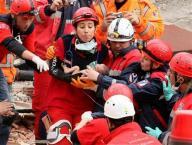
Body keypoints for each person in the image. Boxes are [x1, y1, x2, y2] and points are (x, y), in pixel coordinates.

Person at [45, 7, 109, 145]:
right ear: (75, 28)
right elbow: (53, 69)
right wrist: (68, 77)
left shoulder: (103, 50)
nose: (86, 30)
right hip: (60, 101)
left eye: (90, 26)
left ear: (95, 28)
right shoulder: (65, 42)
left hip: (85, 105)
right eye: (82, 26)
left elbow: (107, 77)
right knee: (61, 139)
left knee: (82, 138)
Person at [33, 0, 94, 140]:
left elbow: (93, 21)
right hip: (45, 56)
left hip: (76, 54)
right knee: (43, 106)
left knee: (80, 109)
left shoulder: (84, 2)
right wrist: (50, 8)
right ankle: (42, 140)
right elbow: (33, 16)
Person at [0, 0, 49, 144]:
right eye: (24, 18)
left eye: (31, 18)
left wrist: (48, 67)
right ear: (15, 16)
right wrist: (34, 58)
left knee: (7, 112)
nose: (28, 22)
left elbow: (29, 57)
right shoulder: (3, 23)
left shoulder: (29, 29)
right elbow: (11, 44)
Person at [78, 17, 141, 111]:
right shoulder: (111, 54)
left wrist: (99, 78)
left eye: (122, 42)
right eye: (114, 42)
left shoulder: (135, 58)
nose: (117, 45)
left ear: (131, 41)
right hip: (103, 104)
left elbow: (125, 87)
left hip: (120, 110)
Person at [71, 83, 161, 145]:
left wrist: (85, 120)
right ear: (132, 116)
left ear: (109, 122)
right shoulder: (154, 141)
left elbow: (74, 137)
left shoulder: (97, 124)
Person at [145, 52, 192, 144]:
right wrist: (172, 98)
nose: (167, 73)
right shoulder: (184, 94)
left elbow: (184, 142)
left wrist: (161, 136)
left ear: (180, 79)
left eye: (170, 71)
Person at [93, 0, 164, 43]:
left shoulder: (143, 5)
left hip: (138, 57)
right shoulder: (101, 6)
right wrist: (102, 29)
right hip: (110, 57)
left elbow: (156, 35)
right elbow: (90, 41)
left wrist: (140, 23)